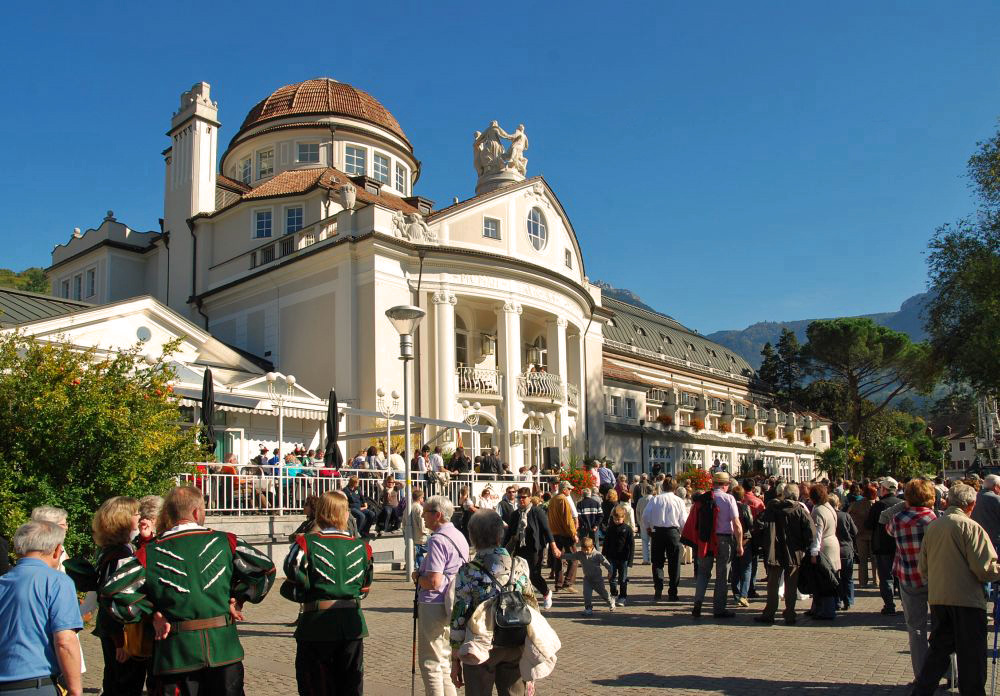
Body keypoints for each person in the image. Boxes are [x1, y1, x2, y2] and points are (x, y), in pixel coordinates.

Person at [102, 485, 275, 696]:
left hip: (175, 655)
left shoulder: (149, 552)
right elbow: (265, 568)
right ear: (196, 512)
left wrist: (150, 614)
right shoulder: (227, 542)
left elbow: (112, 591)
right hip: (223, 652)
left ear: (168, 514)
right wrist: (239, 598)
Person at [281, 490, 374, 696]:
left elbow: (292, 578)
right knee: (350, 687)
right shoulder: (363, 548)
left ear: (320, 512)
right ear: (345, 514)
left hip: (317, 624)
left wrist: (308, 594)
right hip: (352, 625)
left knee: (315, 687)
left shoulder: (305, 544)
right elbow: (364, 588)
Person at [911, 483, 1000, 696]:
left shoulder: (934, 526)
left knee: (939, 652)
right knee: (972, 656)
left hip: (940, 597)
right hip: (967, 600)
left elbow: (922, 566)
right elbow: (985, 569)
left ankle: (922, 691)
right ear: (971, 504)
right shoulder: (971, 527)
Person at [450, 511, 539, 696]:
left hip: (480, 645)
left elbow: (460, 614)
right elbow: (532, 605)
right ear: (500, 535)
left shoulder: (467, 572)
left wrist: (456, 656)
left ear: (472, 537)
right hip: (515, 640)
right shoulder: (519, 564)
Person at [0, 520, 83, 696]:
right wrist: (76, 690)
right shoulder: (57, 582)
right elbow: (65, 641)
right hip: (36, 684)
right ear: (56, 550)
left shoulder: (3, 582)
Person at [90, 496, 148, 696]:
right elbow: (112, 598)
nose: (140, 517)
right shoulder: (121, 554)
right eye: (136, 514)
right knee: (123, 685)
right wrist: (119, 642)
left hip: (114, 631)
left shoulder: (110, 549)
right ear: (122, 520)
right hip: (121, 634)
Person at [414, 495, 469, 696]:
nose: (423, 517)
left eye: (425, 513)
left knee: (430, 662)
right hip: (454, 602)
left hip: (434, 603)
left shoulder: (437, 540)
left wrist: (417, 577)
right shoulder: (459, 535)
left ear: (437, 515)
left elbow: (434, 581)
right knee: (444, 659)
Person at [885, 479, 937, 683]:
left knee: (916, 629)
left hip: (908, 576)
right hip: (933, 576)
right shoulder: (933, 518)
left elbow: (886, 524)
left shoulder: (897, 519)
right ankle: (949, 671)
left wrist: (903, 504)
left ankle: (922, 676)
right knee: (942, 626)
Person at [752, 483, 815, 625]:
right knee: (791, 584)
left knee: (773, 584)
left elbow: (760, 525)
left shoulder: (772, 508)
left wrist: (764, 544)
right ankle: (790, 614)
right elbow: (811, 532)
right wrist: (803, 546)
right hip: (794, 551)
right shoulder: (800, 510)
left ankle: (769, 613)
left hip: (774, 551)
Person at [683, 471, 743, 618]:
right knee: (722, 575)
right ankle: (719, 608)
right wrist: (740, 544)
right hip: (724, 539)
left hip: (705, 539)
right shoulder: (728, 498)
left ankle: (698, 602)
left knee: (703, 573)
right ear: (726, 485)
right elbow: (736, 524)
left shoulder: (703, 498)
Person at [502, 487, 560, 610]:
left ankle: (546, 592)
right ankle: (525, 599)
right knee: (520, 574)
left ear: (529, 498)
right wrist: (501, 549)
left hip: (535, 548)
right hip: (520, 547)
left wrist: (554, 546)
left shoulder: (536, 512)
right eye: (519, 497)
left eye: (524, 497)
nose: (521, 500)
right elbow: (508, 534)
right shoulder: (515, 514)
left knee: (534, 575)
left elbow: (546, 529)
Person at [642, 478, 687, 602]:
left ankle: (658, 588)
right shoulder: (678, 501)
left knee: (657, 562)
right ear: (675, 488)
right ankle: (673, 592)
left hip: (658, 532)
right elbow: (683, 520)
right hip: (673, 532)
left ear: (662, 487)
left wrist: (648, 528)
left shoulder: (655, 499)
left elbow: (645, 516)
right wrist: (684, 534)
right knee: (674, 563)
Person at [867, 477, 902, 615]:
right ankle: (905, 603)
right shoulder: (902, 503)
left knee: (886, 576)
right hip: (899, 544)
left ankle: (889, 605)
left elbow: (869, 524)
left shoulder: (878, 506)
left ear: (885, 489)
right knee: (900, 576)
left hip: (882, 545)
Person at [806, 484, 840, 620]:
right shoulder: (829, 507)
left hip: (824, 546)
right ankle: (818, 608)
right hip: (833, 542)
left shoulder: (818, 511)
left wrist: (814, 552)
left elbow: (817, 533)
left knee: (824, 580)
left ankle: (827, 610)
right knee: (830, 577)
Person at [564, 537, 614, 616]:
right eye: (583, 550)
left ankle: (611, 601)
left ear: (592, 547)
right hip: (587, 579)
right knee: (586, 595)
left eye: (587, 550)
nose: (585, 552)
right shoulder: (580, 554)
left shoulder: (597, 554)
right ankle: (588, 608)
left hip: (597, 579)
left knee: (603, 594)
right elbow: (571, 556)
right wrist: (560, 555)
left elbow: (606, 563)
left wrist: (610, 572)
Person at [547, 481, 578, 592]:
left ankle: (558, 584)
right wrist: (573, 534)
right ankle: (568, 583)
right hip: (565, 533)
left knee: (558, 559)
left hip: (554, 533)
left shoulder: (553, 499)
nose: (570, 490)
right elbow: (568, 521)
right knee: (574, 558)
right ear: (564, 489)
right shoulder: (563, 500)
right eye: (569, 489)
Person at [601, 504, 635, 607]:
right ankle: (613, 593)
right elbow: (606, 543)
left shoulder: (627, 529)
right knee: (611, 577)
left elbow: (631, 545)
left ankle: (623, 596)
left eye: (618, 519)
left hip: (624, 558)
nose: (617, 521)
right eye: (615, 519)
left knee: (623, 578)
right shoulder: (610, 529)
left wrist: (630, 560)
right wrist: (603, 556)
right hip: (612, 557)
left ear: (623, 518)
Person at [829, 493, 858, 610]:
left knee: (835, 578)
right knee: (848, 578)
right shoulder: (845, 516)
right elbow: (855, 531)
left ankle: (837, 601)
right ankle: (849, 600)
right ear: (838, 503)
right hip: (846, 549)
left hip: (833, 551)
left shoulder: (829, 516)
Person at [729, 485, 755, 607]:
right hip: (745, 539)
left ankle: (736, 593)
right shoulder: (745, 507)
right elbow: (750, 524)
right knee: (746, 568)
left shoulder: (729, 507)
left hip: (732, 539)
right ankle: (744, 594)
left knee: (735, 568)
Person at [849, 484, 877, 588]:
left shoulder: (856, 504)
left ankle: (863, 582)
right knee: (874, 560)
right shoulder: (877, 504)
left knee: (863, 560)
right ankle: (876, 580)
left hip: (860, 535)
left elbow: (850, 516)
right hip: (874, 535)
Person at [970, 473, 1000, 554]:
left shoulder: (974, 496)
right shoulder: (996, 499)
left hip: (978, 540)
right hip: (995, 541)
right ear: (996, 486)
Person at [409, 488, 430, 568]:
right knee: (432, 548)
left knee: (418, 553)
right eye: (423, 497)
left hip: (413, 535)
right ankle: (423, 567)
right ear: (420, 498)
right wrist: (426, 531)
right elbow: (422, 522)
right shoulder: (419, 508)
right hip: (421, 535)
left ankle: (420, 568)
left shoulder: (409, 507)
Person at [633, 485, 654, 564]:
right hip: (652, 523)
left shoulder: (641, 500)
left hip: (643, 522)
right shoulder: (654, 499)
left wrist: (639, 521)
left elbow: (637, 512)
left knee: (644, 541)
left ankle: (645, 559)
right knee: (652, 541)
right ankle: (652, 558)